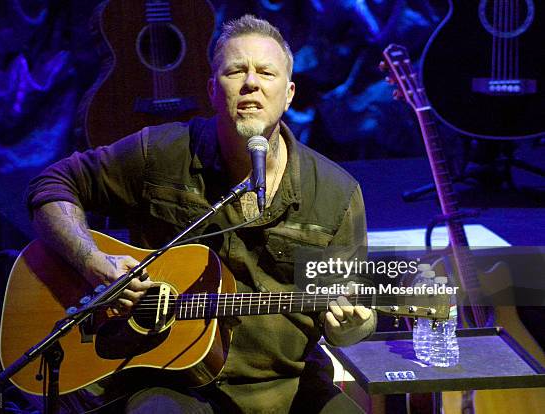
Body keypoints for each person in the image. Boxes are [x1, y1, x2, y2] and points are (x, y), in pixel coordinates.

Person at [27, 14, 375, 414]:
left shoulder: (334, 194)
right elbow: (51, 185)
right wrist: (92, 262)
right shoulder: (162, 153)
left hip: (286, 386)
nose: (251, 83)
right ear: (211, 88)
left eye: (267, 73)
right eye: (235, 71)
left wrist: (350, 326)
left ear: (290, 93)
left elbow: (352, 311)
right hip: (169, 380)